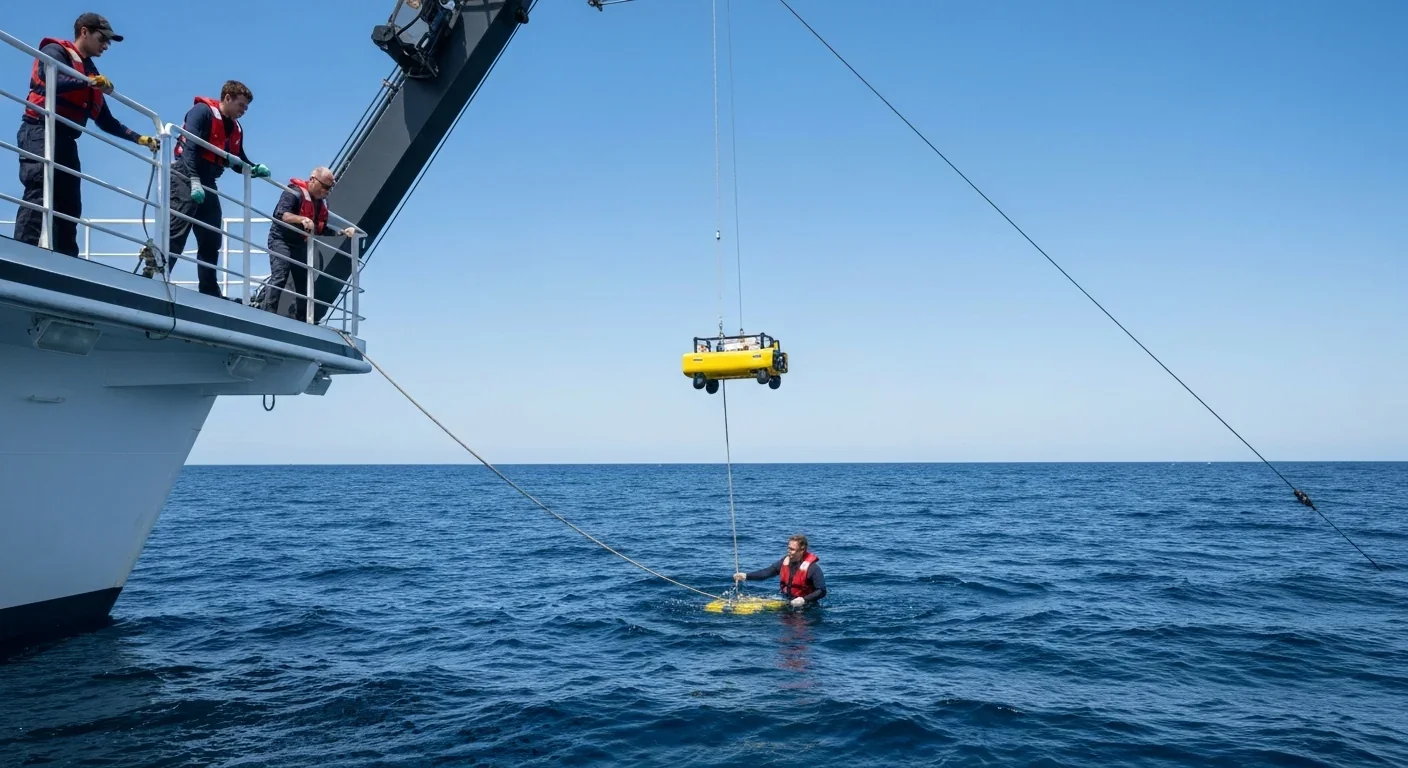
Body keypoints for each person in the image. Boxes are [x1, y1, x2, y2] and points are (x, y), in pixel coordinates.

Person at [14, 13, 158, 257]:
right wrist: (88, 82)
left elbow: (105, 120)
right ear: (84, 32)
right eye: (103, 38)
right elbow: (48, 80)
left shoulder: (91, 72)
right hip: (40, 130)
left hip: (66, 140)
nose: (106, 45)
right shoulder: (55, 51)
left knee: (70, 205)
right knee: (39, 194)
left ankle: (66, 261)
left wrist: (138, 138)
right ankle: (22, 255)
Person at [167, 80, 268, 298]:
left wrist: (252, 168)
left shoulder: (235, 127)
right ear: (228, 98)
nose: (243, 111)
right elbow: (190, 148)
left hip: (209, 182)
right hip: (185, 175)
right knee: (177, 232)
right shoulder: (201, 112)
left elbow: (237, 159)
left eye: (246, 108)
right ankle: (158, 277)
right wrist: (193, 180)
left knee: (211, 239)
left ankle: (210, 290)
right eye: (241, 106)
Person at [255, 166, 356, 319]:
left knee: (303, 282)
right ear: (313, 180)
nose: (327, 192)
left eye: (330, 189)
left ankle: (301, 317)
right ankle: (268, 313)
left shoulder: (319, 204)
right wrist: (301, 219)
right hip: (280, 239)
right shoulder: (294, 193)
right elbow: (281, 214)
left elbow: (320, 229)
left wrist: (342, 232)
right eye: (325, 187)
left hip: (299, 243)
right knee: (280, 274)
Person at [734, 534, 827, 607]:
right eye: (788, 548)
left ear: (802, 550)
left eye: (792, 549)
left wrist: (804, 600)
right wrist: (746, 576)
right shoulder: (784, 562)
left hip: (807, 606)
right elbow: (767, 572)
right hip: (787, 601)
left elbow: (822, 591)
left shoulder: (813, 568)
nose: (788, 551)